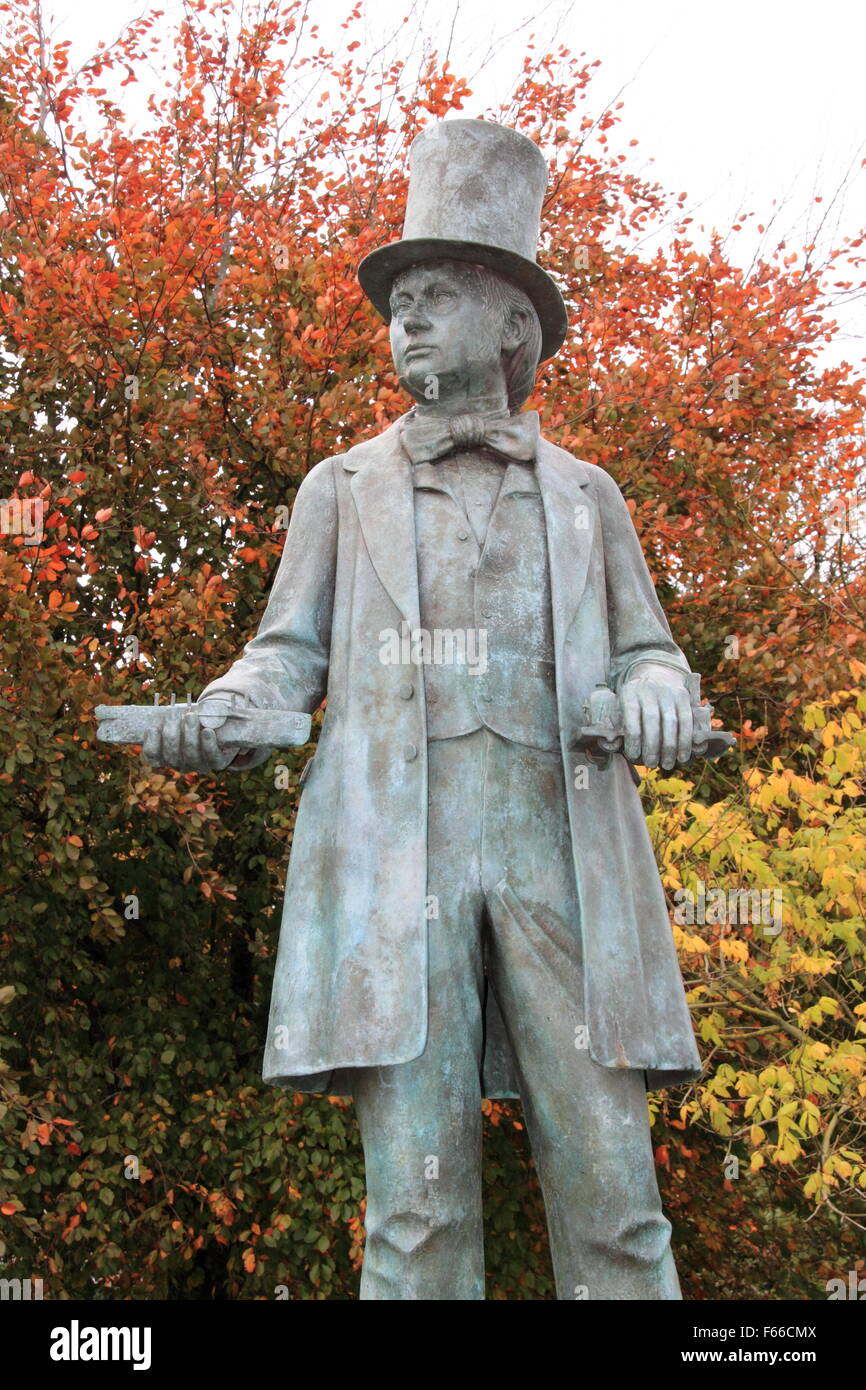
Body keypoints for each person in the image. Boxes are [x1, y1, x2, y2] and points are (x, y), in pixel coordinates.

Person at [143, 119, 703, 1300]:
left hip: (561, 858)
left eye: (436, 294)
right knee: (413, 1206)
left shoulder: (586, 499)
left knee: (615, 1199)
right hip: (394, 872)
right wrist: (227, 711)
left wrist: (655, 696)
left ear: (514, 325)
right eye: (399, 299)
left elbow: (656, 654)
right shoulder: (335, 491)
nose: (405, 319)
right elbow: (281, 656)